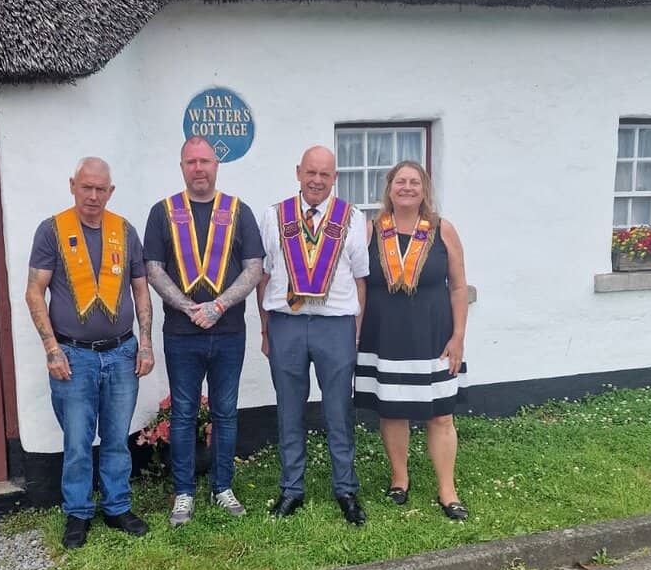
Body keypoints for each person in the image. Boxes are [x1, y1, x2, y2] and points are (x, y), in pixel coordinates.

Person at [26, 157, 154, 549]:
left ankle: (117, 507)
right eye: (86, 187)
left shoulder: (125, 231)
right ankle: (78, 513)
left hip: (122, 353)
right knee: (78, 443)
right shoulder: (52, 231)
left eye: (101, 189)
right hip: (73, 355)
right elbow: (34, 291)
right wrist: (51, 349)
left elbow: (140, 289)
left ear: (110, 191)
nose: (93, 196)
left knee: (117, 438)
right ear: (73, 185)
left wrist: (146, 342)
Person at [144, 137, 264, 526]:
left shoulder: (239, 211)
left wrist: (218, 306)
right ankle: (184, 492)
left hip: (228, 331)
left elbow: (254, 268)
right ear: (182, 167)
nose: (199, 168)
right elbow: (153, 269)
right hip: (181, 333)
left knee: (225, 412)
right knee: (183, 413)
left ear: (217, 165)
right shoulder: (162, 212)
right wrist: (187, 306)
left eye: (205, 161)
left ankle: (222, 486)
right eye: (191, 162)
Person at [257, 146, 369, 526]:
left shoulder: (352, 218)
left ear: (334, 177)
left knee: (339, 411)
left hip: (335, 326)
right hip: (285, 324)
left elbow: (360, 279)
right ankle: (291, 489)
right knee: (289, 409)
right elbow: (265, 276)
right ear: (298, 172)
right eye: (311, 172)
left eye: (324, 174)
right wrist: (265, 328)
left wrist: (355, 333)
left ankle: (346, 490)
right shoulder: (274, 216)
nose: (317, 180)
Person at [353, 160, 469, 518]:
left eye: (414, 182)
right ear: (389, 188)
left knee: (441, 416)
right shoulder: (371, 230)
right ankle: (399, 479)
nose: (406, 187)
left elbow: (459, 287)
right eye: (400, 181)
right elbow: (359, 286)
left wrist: (458, 337)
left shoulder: (442, 229)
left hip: (433, 337)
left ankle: (447, 490)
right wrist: (354, 335)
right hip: (383, 337)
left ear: (424, 189)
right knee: (392, 411)